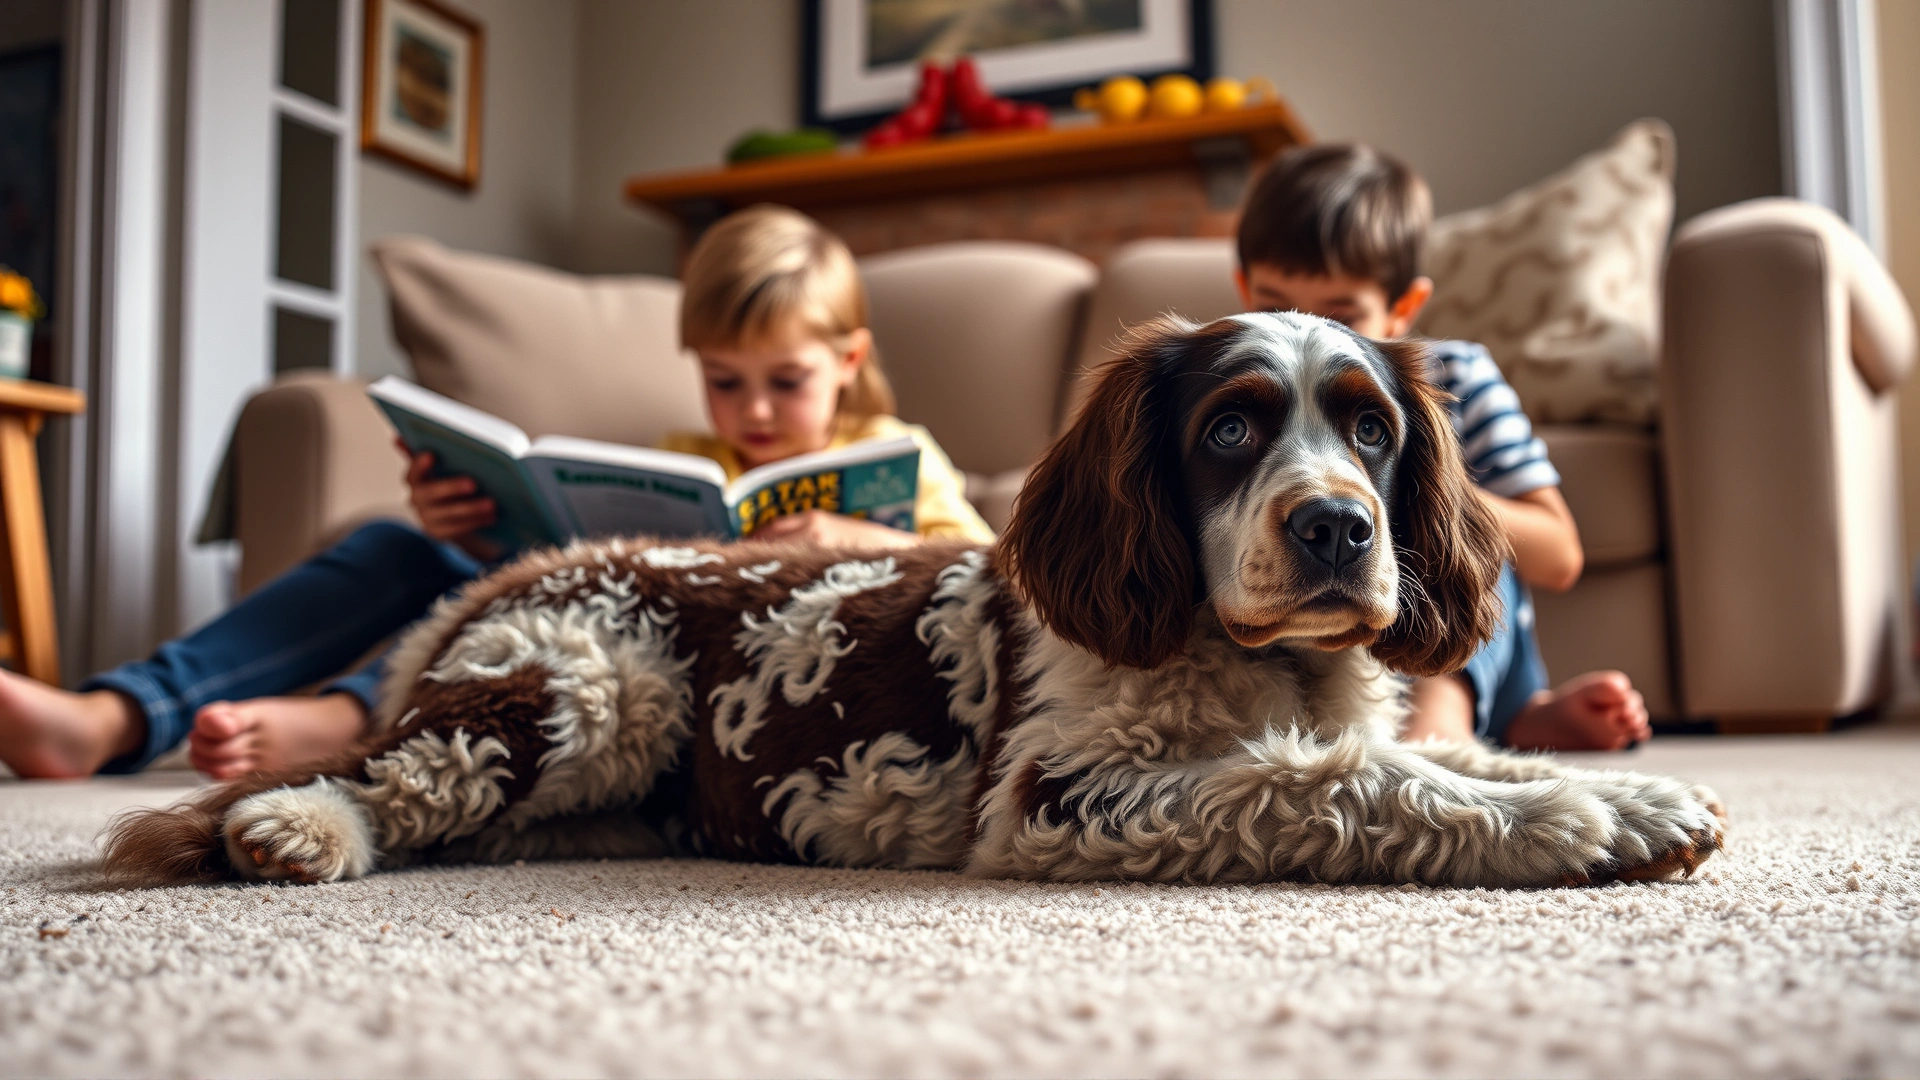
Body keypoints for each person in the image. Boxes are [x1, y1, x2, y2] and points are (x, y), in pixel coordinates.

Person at [0, 204, 993, 780]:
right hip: (617, 637)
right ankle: (113, 718)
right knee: (400, 547)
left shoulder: (896, 452)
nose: (755, 412)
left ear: (849, 358)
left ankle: (351, 724)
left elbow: (985, 576)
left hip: (729, 696)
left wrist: (849, 533)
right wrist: (475, 531)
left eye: (787, 382)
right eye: (724, 380)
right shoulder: (688, 452)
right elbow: (568, 582)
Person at [1233, 144, 1650, 751]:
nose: (1308, 330)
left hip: (1450, 643)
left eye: (1341, 315)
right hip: (1319, 640)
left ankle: (1450, 726)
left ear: (1404, 309)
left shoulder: (1455, 377)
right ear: (1242, 288)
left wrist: (1430, 490)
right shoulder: (1240, 386)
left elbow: (1560, 554)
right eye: (1274, 305)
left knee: (1458, 530)